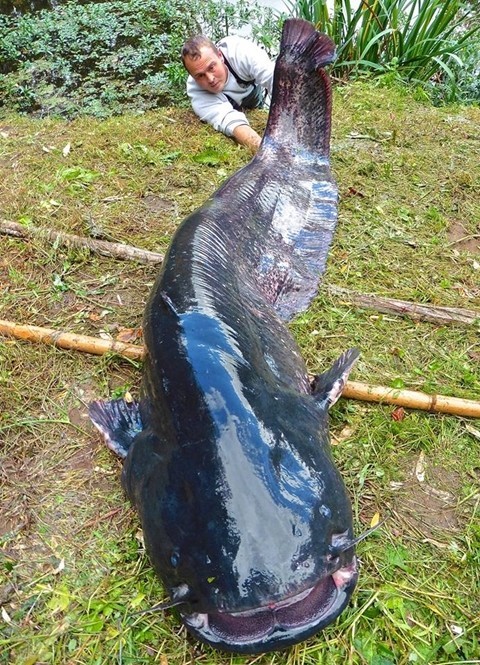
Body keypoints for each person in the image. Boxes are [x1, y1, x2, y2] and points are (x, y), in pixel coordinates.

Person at [181, 34, 275, 152]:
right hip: (229, 105)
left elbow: (275, 80)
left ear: (220, 56)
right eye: (200, 76)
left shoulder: (241, 52)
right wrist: (266, 151)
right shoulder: (196, 92)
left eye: (211, 68)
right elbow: (230, 122)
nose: (210, 79)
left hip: (253, 93)